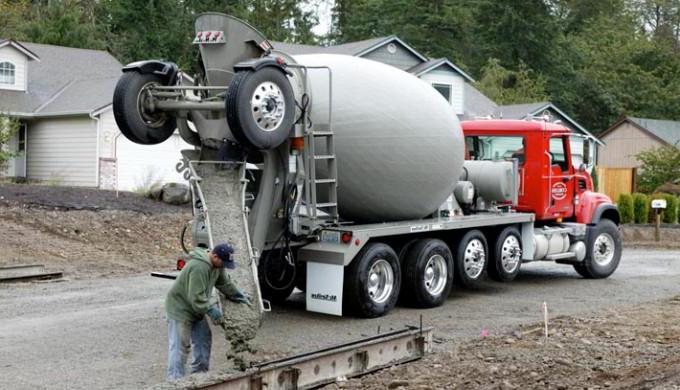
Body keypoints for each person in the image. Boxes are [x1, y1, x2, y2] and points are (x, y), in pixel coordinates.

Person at [165, 243, 251, 380]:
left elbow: (224, 284)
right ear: (215, 256)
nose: (224, 266)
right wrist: (212, 310)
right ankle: (175, 381)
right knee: (180, 346)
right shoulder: (199, 267)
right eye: (223, 262)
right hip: (180, 309)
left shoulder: (218, 265)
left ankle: (199, 376)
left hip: (196, 309)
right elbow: (197, 298)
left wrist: (237, 295)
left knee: (203, 339)